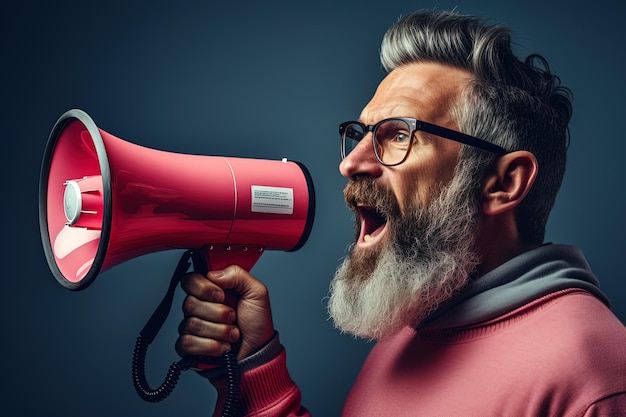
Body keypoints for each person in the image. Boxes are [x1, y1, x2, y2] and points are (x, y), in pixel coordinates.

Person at [175, 9, 626, 416]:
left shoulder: (595, 377)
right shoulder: (414, 327)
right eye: (362, 133)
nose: (350, 163)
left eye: (398, 135)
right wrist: (256, 371)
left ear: (503, 183)